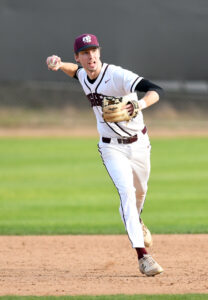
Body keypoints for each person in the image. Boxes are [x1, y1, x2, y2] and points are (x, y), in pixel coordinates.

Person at [46, 33, 164, 276]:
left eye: (94, 50)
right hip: (111, 147)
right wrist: (58, 66)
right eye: (85, 53)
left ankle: (137, 221)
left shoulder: (118, 75)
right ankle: (143, 257)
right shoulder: (83, 74)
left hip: (140, 143)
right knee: (127, 193)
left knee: (140, 192)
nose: (91, 56)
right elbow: (74, 72)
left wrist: (138, 105)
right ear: (78, 57)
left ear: (100, 52)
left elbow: (155, 90)